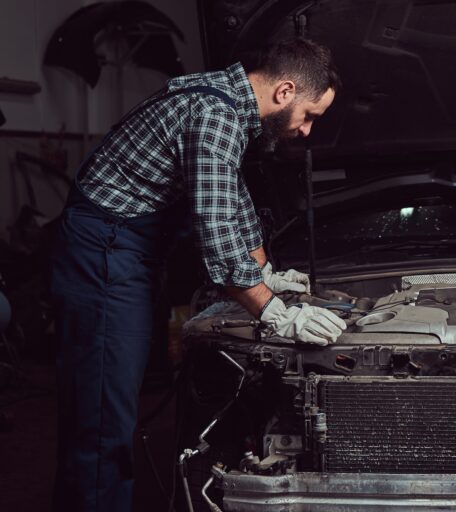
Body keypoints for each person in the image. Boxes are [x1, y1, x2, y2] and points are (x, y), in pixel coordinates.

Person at [49, 38, 345, 512]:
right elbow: (213, 229)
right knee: (104, 420)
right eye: (309, 115)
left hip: (124, 246)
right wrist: (273, 312)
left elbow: (233, 201)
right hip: (104, 251)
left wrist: (266, 272)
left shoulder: (226, 102)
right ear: (285, 91)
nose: (307, 131)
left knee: (108, 408)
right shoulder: (214, 116)